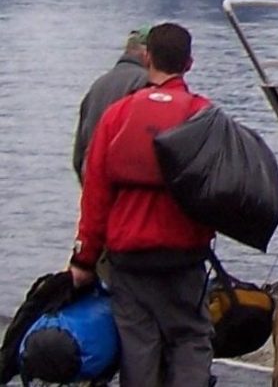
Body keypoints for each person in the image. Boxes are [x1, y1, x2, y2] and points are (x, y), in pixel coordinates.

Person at [69, 23, 215, 387]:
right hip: (185, 255)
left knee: (138, 344)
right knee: (191, 337)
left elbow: (96, 194)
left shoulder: (116, 116)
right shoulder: (204, 114)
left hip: (130, 256)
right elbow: (221, 190)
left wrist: (84, 259)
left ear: (147, 57)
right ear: (190, 63)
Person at [73, 25, 151, 183]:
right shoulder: (147, 83)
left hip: (94, 182)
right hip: (125, 188)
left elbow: (79, 155)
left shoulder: (98, 85)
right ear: (146, 54)